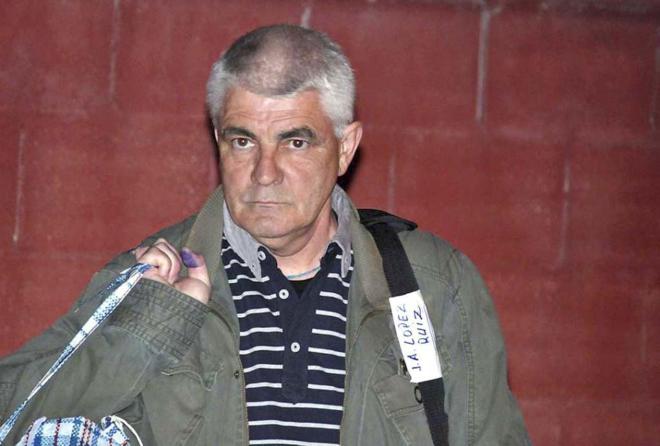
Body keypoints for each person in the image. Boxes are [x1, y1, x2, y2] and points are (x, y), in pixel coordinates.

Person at [0, 24, 531, 445]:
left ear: (345, 149)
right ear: (218, 140)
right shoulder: (152, 280)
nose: (265, 173)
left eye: (295, 142)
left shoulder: (433, 283)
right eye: (243, 141)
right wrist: (149, 329)